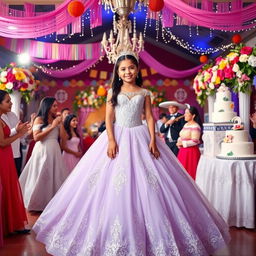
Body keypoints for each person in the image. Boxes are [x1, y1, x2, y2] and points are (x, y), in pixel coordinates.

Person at [33, 54, 230, 255]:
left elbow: (151, 118)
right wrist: (111, 140)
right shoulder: (113, 92)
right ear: (117, 72)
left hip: (140, 135)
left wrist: (153, 139)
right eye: (123, 69)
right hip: (117, 136)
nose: (128, 72)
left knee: (153, 182)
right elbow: (109, 119)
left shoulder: (144, 92)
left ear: (137, 70)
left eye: (131, 68)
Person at [19, 97, 69, 211]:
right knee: (40, 175)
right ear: (47, 106)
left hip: (54, 150)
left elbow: (64, 138)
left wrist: (60, 124)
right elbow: (36, 137)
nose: (57, 108)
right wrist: (52, 126)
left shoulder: (56, 119)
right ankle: (36, 204)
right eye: (54, 106)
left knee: (54, 175)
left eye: (57, 105)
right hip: (42, 150)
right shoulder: (39, 119)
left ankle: (52, 203)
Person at [0, 90, 30, 235]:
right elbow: (2, 142)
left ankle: (9, 224)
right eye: (7, 101)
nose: (11, 103)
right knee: (5, 188)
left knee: (9, 188)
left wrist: (17, 130)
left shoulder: (4, 118)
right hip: (2, 156)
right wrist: (19, 134)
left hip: (7, 156)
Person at [177, 106, 202, 180]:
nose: (184, 115)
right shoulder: (186, 125)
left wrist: (183, 143)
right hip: (183, 151)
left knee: (190, 173)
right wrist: (179, 141)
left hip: (191, 152)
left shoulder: (195, 126)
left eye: (187, 113)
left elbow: (195, 141)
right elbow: (182, 135)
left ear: (193, 115)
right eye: (185, 113)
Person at [1, 111, 23, 176]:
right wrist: (17, 131)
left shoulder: (13, 114)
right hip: (4, 152)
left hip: (16, 152)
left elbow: (20, 132)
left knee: (16, 175)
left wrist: (25, 129)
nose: (11, 103)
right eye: (7, 101)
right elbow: (3, 140)